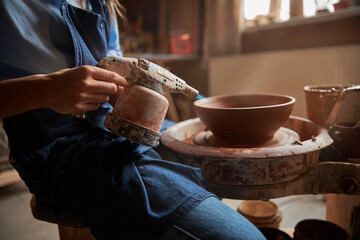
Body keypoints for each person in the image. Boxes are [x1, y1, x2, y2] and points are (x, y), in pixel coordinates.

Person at [0, 1, 266, 239]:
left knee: (210, 153)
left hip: (113, 124)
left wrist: (131, 89)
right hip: (56, 148)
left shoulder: (102, 3)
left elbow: (115, 80)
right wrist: (46, 89)